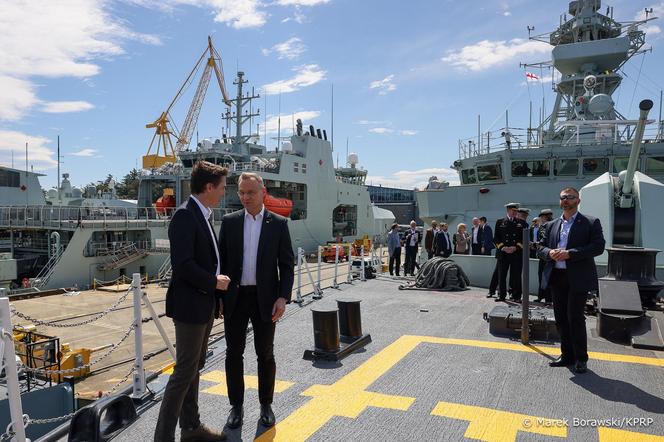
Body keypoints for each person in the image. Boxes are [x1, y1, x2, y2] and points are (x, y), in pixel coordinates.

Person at [154, 161, 229, 442]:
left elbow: (207, 259)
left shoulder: (203, 215)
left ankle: (191, 428)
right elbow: (182, 264)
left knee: (194, 367)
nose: (223, 192)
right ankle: (163, 438)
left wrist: (216, 296)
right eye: (221, 187)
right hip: (189, 306)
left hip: (204, 304)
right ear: (208, 187)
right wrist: (214, 282)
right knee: (184, 371)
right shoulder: (185, 216)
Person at [217, 172, 295, 428]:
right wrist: (219, 298)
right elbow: (221, 263)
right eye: (241, 192)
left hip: (266, 298)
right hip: (235, 298)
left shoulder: (279, 224)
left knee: (265, 354)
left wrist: (283, 297)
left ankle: (266, 405)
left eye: (250, 192)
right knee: (233, 354)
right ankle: (236, 407)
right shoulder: (229, 222)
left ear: (263, 193)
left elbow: (286, 264)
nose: (245, 197)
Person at [538, 187, 605, 374]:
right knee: (560, 318)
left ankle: (581, 358)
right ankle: (566, 355)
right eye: (563, 197)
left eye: (570, 197)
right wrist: (549, 253)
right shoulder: (550, 225)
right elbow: (540, 248)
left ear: (578, 200)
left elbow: (598, 247)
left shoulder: (590, 222)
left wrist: (570, 254)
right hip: (557, 277)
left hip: (577, 278)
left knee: (575, 318)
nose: (566, 200)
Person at [493, 202, 528, 302]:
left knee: (516, 276)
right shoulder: (500, 222)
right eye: (513, 211)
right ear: (508, 210)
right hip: (503, 253)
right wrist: (502, 247)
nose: (515, 213)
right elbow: (496, 238)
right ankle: (501, 295)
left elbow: (524, 239)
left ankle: (516, 296)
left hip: (516, 253)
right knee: (501, 275)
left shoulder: (522, 223)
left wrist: (515, 247)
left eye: (516, 211)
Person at [536, 209, 554, 303]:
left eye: (542, 217)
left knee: (548, 277)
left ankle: (548, 298)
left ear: (547, 216)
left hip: (550, 255)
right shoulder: (542, 226)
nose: (541, 218)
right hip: (543, 255)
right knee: (541, 276)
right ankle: (541, 296)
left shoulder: (552, 225)